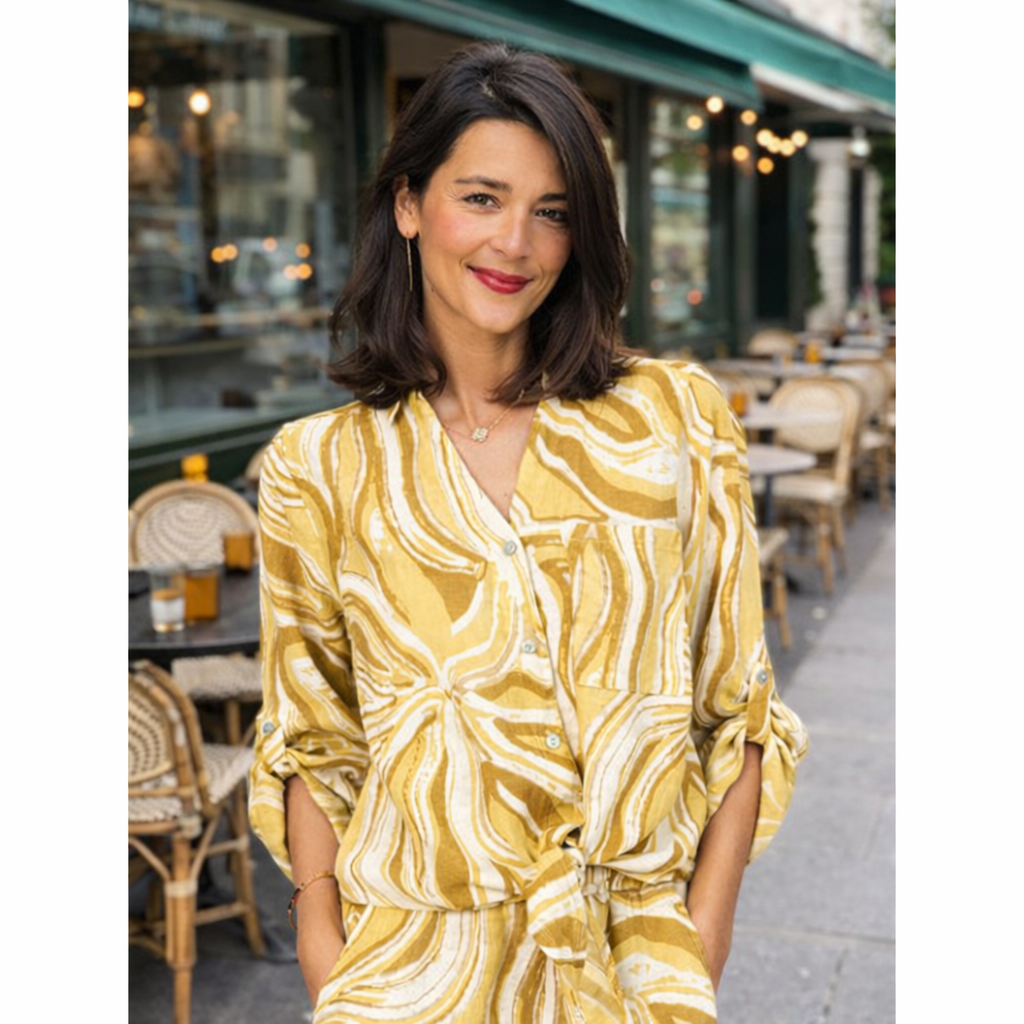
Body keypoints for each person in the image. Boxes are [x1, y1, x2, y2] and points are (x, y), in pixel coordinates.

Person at [250, 41, 807, 1024]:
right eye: (482, 197)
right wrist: (319, 937)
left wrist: (700, 937)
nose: (515, 241)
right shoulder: (317, 464)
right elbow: (313, 738)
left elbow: (738, 708)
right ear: (409, 203)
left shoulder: (671, 418)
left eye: (553, 212)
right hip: (410, 965)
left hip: (632, 959)